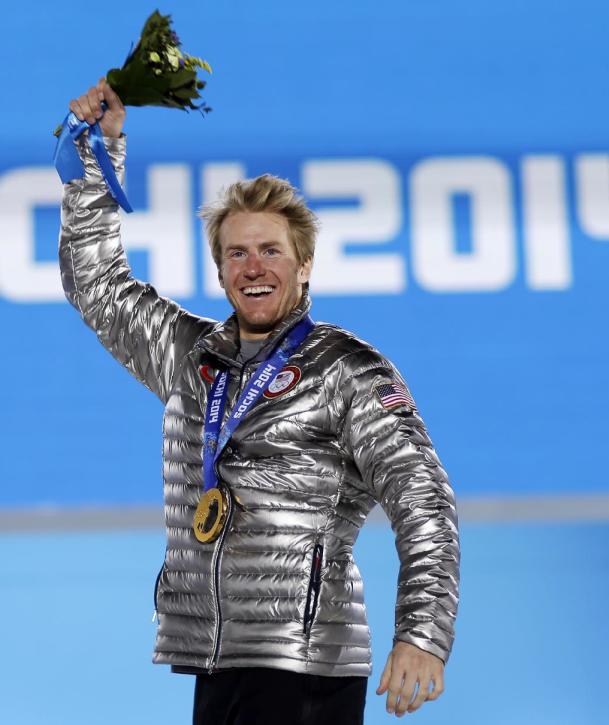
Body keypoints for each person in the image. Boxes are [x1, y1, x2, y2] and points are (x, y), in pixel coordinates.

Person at [60, 79, 460, 723]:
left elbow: (426, 505)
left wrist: (422, 633)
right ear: (219, 271)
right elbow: (97, 285)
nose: (253, 266)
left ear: (305, 266)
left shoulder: (346, 370)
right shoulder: (193, 358)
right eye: (236, 253)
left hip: (304, 668)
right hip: (218, 659)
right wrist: (97, 157)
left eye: (271, 250)